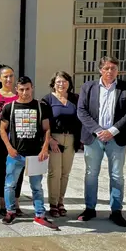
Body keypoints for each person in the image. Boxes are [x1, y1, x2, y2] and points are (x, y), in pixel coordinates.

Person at [76, 56, 126, 227]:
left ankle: (116, 211)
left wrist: (112, 130)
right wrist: (98, 130)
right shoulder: (88, 87)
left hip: (117, 137)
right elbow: (82, 111)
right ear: (100, 70)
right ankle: (90, 208)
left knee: (117, 175)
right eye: (107, 68)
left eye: (113, 68)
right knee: (91, 174)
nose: (110, 71)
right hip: (94, 138)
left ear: (118, 70)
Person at [0, 76, 58, 230]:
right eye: (21, 89)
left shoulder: (41, 106)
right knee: (10, 185)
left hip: (36, 154)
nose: (25, 92)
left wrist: (45, 148)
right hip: (15, 154)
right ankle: (10, 211)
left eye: (27, 89)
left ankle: (39, 215)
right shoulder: (9, 107)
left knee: (37, 187)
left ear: (32, 88)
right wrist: (9, 148)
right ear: (16, 90)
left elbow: (47, 129)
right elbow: (2, 129)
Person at [41, 71, 81, 218]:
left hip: (70, 138)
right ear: (53, 83)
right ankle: (52, 203)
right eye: (58, 81)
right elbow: (43, 122)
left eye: (64, 81)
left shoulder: (75, 99)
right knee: (54, 172)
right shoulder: (47, 100)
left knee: (65, 173)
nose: (61, 84)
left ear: (69, 83)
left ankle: (60, 202)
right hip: (54, 139)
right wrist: (49, 139)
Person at [0, 65, 23, 215]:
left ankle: (16, 200)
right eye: (5, 76)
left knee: (18, 169)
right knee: (1, 169)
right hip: (0, 139)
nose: (9, 79)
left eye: (11, 76)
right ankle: (3, 201)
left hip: (19, 139)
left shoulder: (20, 94)